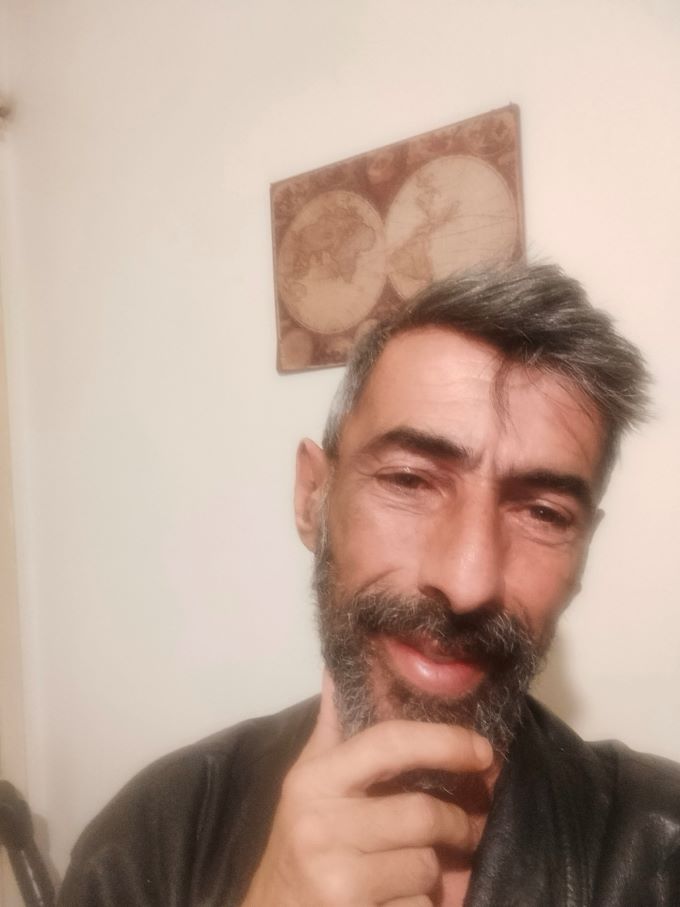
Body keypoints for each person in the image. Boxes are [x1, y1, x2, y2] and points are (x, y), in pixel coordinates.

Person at [58, 264, 680, 906]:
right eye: (409, 480)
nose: (467, 582)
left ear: (582, 554)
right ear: (313, 496)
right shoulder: (150, 841)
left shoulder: (662, 852)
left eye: (543, 514)